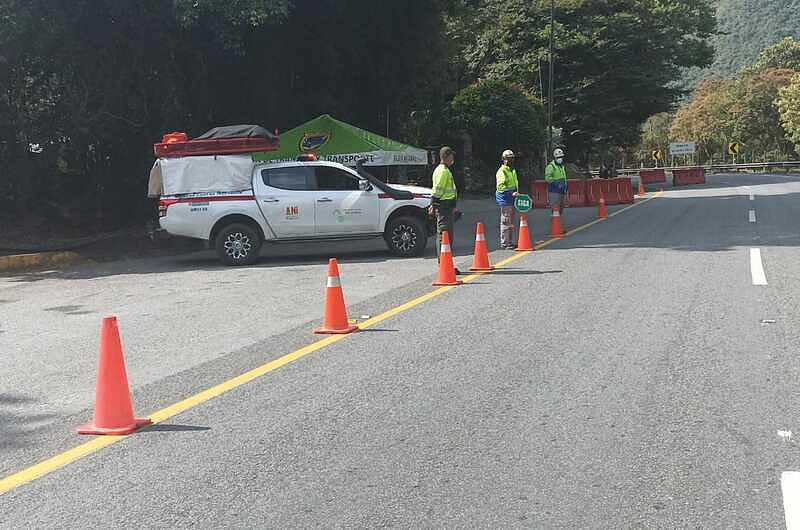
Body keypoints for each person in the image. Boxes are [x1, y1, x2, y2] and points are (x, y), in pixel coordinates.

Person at [430, 146, 460, 272]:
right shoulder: (443, 171)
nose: (453, 158)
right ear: (447, 157)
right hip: (444, 208)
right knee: (444, 237)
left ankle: (446, 265)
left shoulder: (443, 170)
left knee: (445, 236)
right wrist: (434, 204)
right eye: (451, 156)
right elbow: (438, 190)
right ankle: (445, 266)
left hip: (447, 207)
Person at [495, 149, 519, 249]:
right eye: (509, 159)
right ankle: (505, 243)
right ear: (504, 160)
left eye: (512, 158)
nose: (511, 160)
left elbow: (514, 184)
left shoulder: (511, 170)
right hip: (505, 198)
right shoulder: (502, 171)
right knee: (506, 221)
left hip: (512, 198)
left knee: (511, 221)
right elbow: (501, 187)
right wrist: (511, 193)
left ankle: (509, 241)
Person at [545, 148, 568, 214]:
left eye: (561, 157)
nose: (560, 158)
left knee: (560, 210)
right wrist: (556, 184)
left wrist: (565, 186)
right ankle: (554, 223)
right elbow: (547, 178)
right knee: (555, 209)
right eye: (558, 157)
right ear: (554, 157)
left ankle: (557, 223)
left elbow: (564, 178)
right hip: (554, 191)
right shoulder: (551, 166)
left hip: (561, 191)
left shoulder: (561, 166)